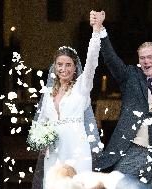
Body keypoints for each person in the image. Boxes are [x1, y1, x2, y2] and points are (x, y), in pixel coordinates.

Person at [90, 11, 152, 189]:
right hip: (128, 152)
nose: (146, 61)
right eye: (142, 58)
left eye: (150, 57)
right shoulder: (130, 77)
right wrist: (100, 29)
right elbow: (111, 59)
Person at [31, 20, 103, 189]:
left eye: (68, 64)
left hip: (76, 146)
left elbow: (92, 60)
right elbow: (41, 122)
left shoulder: (82, 87)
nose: (64, 69)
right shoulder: (48, 94)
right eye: (60, 64)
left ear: (75, 68)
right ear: (54, 67)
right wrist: (40, 140)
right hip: (53, 150)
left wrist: (96, 31)